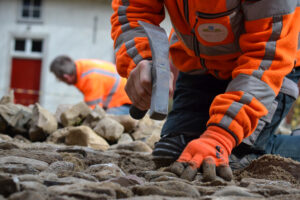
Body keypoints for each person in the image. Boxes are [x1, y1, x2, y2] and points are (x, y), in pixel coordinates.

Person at [110, 0, 300, 181]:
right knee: (174, 153)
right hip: (198, 65)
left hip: (272, 69)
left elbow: (266, 59)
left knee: (230, 161)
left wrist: (220, 136)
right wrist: (140, 59)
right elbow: (134, 11)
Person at [50, 56, 132, 115]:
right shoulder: (80, 66)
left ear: (66, 77)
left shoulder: (89, 79)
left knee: (102, 121)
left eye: (60, 79)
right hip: (126, 98)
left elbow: (94, 110)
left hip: (126, 103)